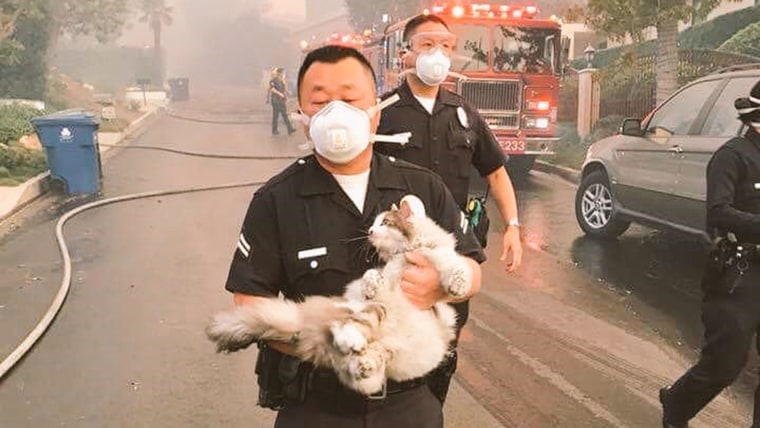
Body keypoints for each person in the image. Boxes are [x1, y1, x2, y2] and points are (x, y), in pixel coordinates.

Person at [224, 45, 485, 428]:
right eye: (320, 101)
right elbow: (248, 302)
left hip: (410, 405)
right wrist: (334, 345)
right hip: (315, 406)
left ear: (375, 112)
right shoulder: (276, 201)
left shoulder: (423, 187)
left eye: (349, 98)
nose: (336, 112)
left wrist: (440, 286)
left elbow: (472, 269)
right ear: (301, 117)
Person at [374, 13, 523, 403]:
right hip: (395, 254)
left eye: (446, 45)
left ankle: (429, 409)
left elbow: (496, 173)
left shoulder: (464, 114)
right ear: (406, 53)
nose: (439, 53)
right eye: (427, 44)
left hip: (452, 252)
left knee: (444, 346)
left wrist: (514, 227)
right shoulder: (382, 113)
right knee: (391, 344)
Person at [660, 80, 760, 428]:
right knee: (725, 364)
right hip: (739, 274)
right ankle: (676, 404)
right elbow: (718, 212)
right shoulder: (732, 157)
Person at [269, 67, 296, 136]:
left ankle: (289, 129)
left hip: (281, 100)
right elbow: (272, 89)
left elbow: (284, 89)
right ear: (279, 73)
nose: (283, 74)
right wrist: (280, 94)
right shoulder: (273, 80)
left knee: (283, 115)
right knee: (277, 115)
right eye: (282, 73)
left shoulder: (281, 81)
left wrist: (287, 92)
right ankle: (276, 130)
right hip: (276, 100)